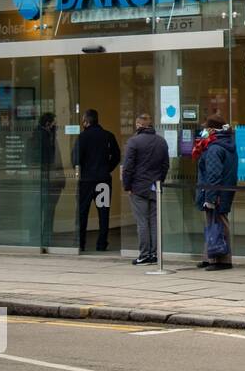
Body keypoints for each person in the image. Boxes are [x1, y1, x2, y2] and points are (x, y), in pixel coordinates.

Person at [122, 113, 170, 266]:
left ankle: (144, 255)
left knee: (142, 222)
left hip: (138, 187)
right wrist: (159, 181)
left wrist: (127, 186)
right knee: (155, 222)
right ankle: (155, 255)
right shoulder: (161, 142)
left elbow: (128, 167)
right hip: (154, 186)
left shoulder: (134, 142)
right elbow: (165, 165)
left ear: (138, 125)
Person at [72, 109, 121, 252]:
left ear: (86, 121)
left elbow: (75, 159)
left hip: (86, 181)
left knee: (82, 212)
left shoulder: (83, 137)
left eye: (83, 120)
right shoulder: (108, 136)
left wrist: (82, 170)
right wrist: (107, 169)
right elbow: (117, 156)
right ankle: (101, 243)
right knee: (103, 212)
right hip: (103, 180)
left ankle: (80, 243)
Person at [195, 117, 238, 271]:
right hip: (223, 190)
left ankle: (223, 260)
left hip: (216, 192)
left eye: (206, 128)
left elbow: (213, 175)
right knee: (212, 224)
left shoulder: (214, 148)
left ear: (212, 130)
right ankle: (209, 257)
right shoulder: (225, 145)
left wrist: (210, 197)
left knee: (218, 223)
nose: (203, 131)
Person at [31, 113, 66, 249]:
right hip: (47, 179)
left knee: (41, 209)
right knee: (47, 210)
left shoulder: (42, 137)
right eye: (54, 123)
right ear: (47, 124)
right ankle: (45, 239)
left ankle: (40, 238)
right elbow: (52, 161)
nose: (56, 126)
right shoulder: (45, 138)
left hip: (45, 178)